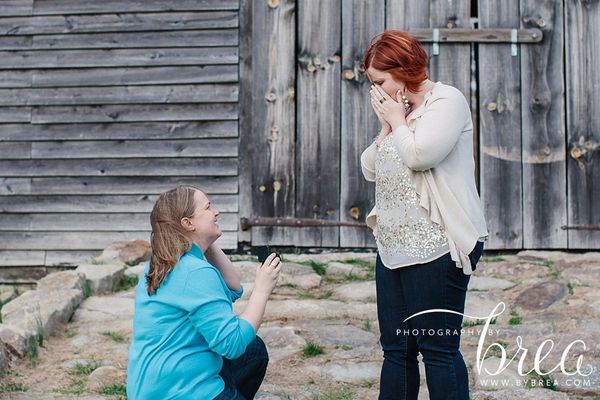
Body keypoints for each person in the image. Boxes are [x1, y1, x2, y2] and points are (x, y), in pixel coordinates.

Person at [360, 30, 489, 400]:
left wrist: (397, 123)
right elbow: (370, 167)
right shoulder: (400, 113)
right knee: (396, 351)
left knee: (437, 351)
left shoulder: (446, 101)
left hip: (438, 246)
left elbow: (420, 155)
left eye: (381, 81)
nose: (378, 92)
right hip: (393, 248)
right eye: (373, 84)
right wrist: (387, 126)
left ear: (405, 69)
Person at [127, 185, 281, 399]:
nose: (215, 212)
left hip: (153, 387)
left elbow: (233, 289)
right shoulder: (194, 272)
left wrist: (203, 241)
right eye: (208, 207)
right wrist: (262, 290)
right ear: (188, 223)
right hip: (180, 393)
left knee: (253, 350)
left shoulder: (165, 262)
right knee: (244, 345)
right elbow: (232, 344)